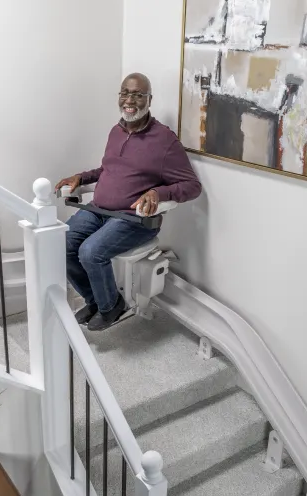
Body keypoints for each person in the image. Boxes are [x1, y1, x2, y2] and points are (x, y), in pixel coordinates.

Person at [55, 73, 202, 332]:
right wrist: (81, 177)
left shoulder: (164, 140)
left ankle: (111, 306)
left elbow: (192, 186)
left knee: (90, 252)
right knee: (62, 244)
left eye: (137, 94)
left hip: (134, 219)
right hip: (98, 211)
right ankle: (95, 300)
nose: (129, 100)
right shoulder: (116, 131)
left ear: (149, 100)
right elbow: (108, 170)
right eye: (125, 93)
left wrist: (159, 193)